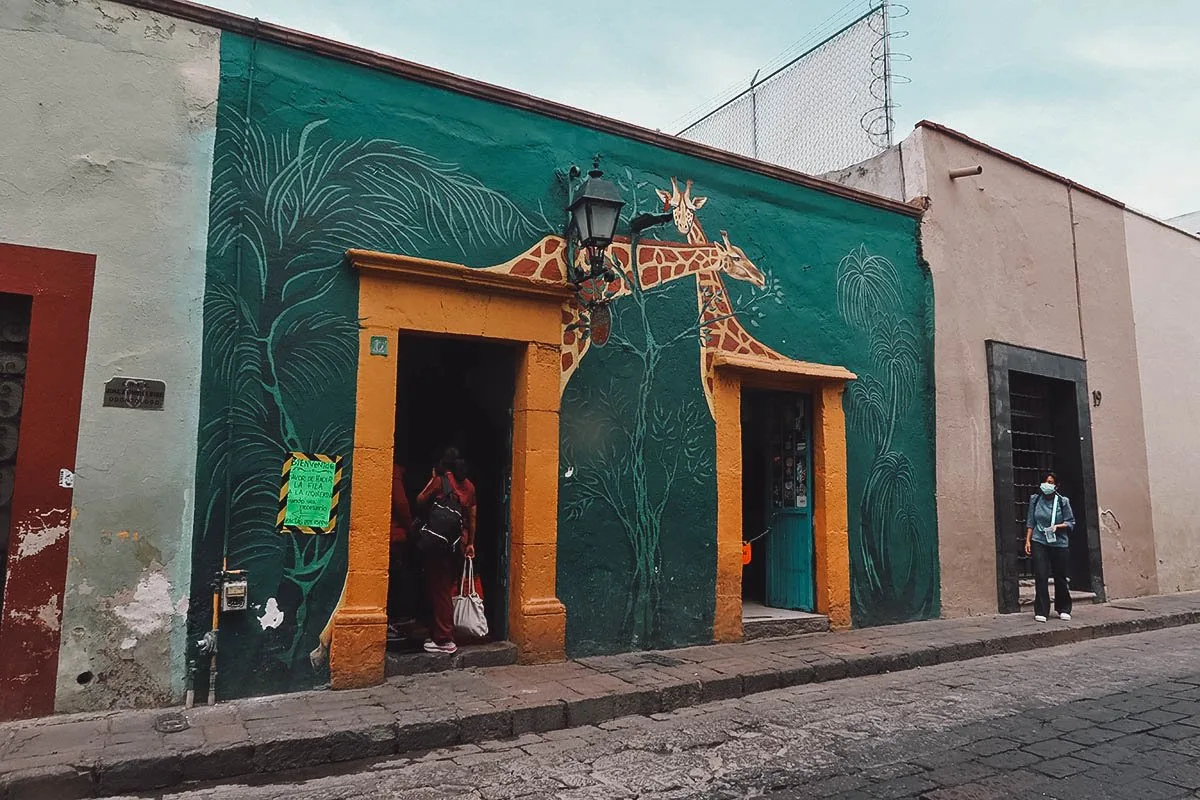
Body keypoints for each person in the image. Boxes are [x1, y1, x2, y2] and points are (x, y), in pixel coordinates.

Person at [416, 448, 476, 654]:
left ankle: (444, 639)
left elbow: (420, 501)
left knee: (439, 589)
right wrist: (470, 544)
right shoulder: (469, 487)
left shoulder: (441, 481)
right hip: (455, 544)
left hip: (437, 544)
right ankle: (441, 630)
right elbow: (473, 517)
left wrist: (431, 479)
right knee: (445, 586)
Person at [1024, 472, 1076, 623]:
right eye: (1046, 482)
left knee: (1060, 577)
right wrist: (1028, 541)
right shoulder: (1035, 500)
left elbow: (1071, 522)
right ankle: (1041, 610)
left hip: (1059, 542)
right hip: (1039, 540)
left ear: (1056, 485)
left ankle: (1064, 608)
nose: (1048, 485)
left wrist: (1058, 527)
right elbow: (1030, 522)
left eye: (1051, 482)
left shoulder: (1062, 501)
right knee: (1041, 575)